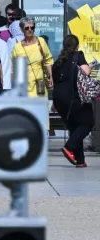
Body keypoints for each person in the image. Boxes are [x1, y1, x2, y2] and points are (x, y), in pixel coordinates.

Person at [52, 35, 94, 168]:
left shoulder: (58, 61)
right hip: (73, 97)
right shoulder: (78, 55)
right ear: (77, 45)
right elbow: (86, 72)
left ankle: (80, 160)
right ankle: (69, 147)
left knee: (75, 127)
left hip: (59, 99)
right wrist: (90, 67)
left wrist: (54, 103)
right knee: (88, 122)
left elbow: (57, 82)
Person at [11, 17, 54, 97]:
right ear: (22, 30)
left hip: (39, 84)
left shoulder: (41, 41)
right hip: (24, 85)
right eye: (27, 28)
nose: (30, 30)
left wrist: (50, 76)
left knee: (40, 107)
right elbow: (13, 68)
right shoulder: (17, 47)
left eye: (32, 27)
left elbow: (48, 60)